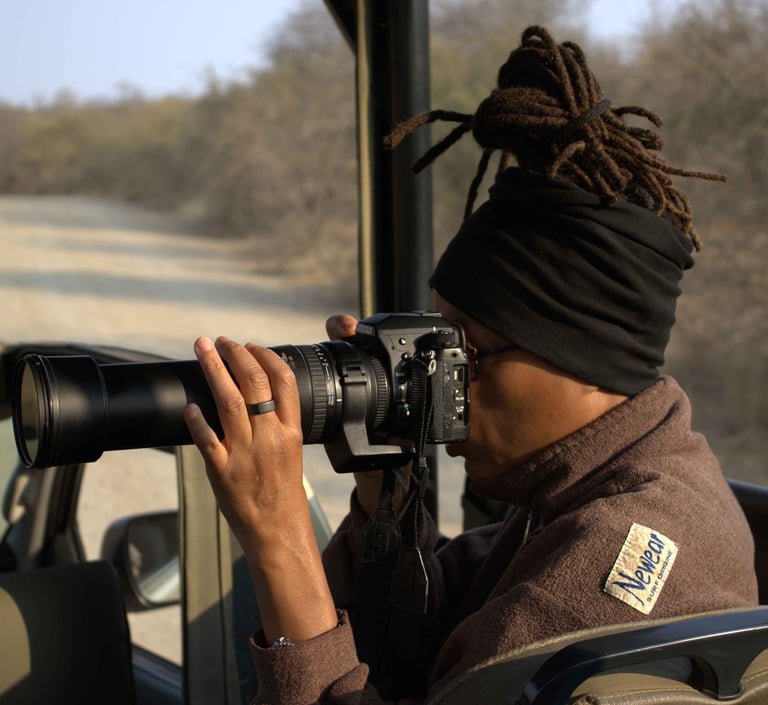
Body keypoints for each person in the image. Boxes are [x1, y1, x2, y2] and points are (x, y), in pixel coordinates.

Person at [183, 25, 758, 705]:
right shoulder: (600, 483)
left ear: (573, 356)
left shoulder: (606, 575)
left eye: (463, 353)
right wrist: (384, 493)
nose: (441, 380)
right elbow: (446, 627)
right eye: (432, 346)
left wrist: (280, 540)